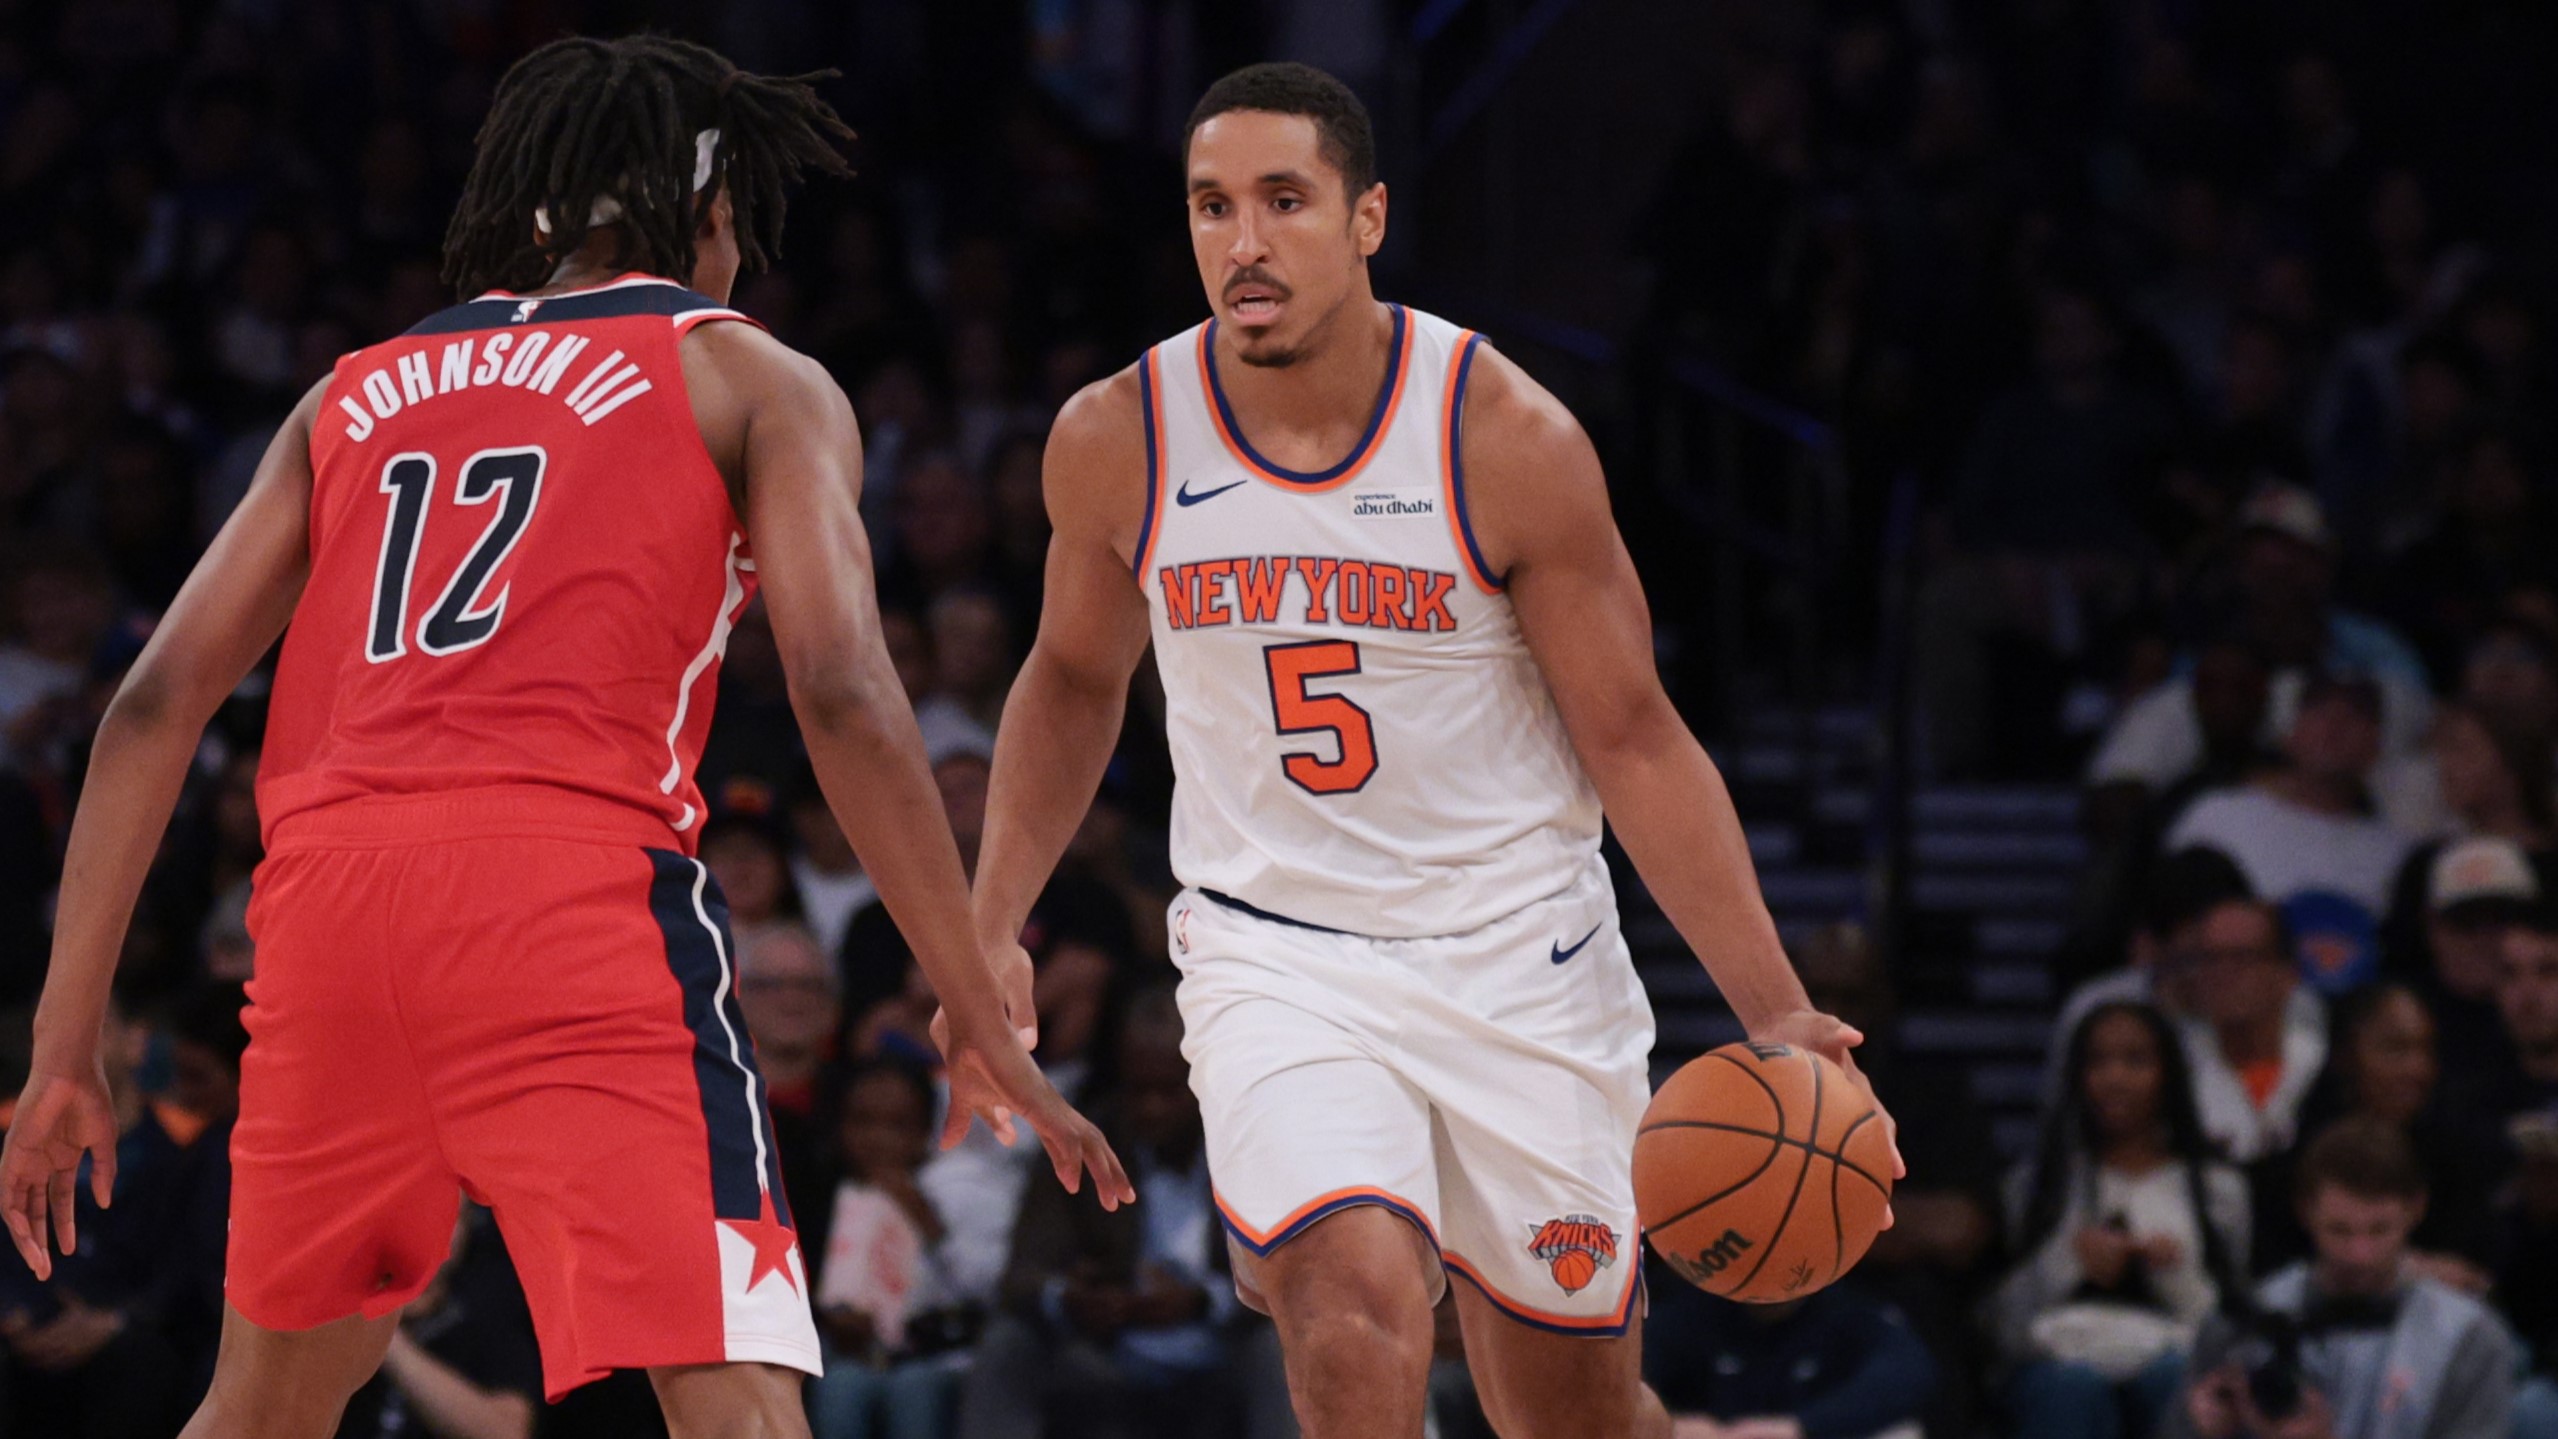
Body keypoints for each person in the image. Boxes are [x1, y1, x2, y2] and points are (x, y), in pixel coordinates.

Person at [0, 34, 1125, 1439]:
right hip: (567, 901)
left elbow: (154, 703)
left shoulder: (349, 390)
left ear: (538, 212)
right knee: (734, 1398)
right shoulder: (748, 375)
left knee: (262, 1408)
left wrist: (61, 1048)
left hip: (328, 909)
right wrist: (969, 990)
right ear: (712, 214)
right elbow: (840, 687)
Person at [952, 61, 1893, 1439]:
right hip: (1278, 951)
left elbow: (1633, 738)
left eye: (1284, 200)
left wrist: (1775, 1008)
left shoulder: (1501, 435)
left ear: (1367, 217)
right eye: (1212, 205)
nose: (1244, 241)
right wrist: (986, 930)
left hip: (1521, 951)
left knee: (1571, 1416)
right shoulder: (1120, 436)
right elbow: (1073, 680)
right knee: (1346, 1306)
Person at [959, 988, 1291, 1439]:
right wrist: (1070, 1297)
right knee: (1009, 1343)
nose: (1152, 1107)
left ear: (1205, 1080)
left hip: (1220, 1350)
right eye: (1139, 1090)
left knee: (1274, 1347)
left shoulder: (1249, 1143)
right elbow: (1021, 1276)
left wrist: (1200, 1302)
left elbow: (1288, 1278)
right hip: (1110, 1354)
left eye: (1169, 1091)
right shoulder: (1080, 1142)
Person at [1990, 1002, 2248, 1439]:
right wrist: (2068, 1263)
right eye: (2098, 1061)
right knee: (2068, 1389)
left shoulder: (2217, 1188)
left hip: (2172, 1355)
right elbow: (2002, 1330)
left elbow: (2230, 1328)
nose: (2115, 1078)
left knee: (2179, 1382)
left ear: (2169, 1073)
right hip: (2058, 1366)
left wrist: (2173, 1274)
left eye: (2135, 1060)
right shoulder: (2035, 1185)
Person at [2170, 1118, 2519, 1439]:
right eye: (2339, 1230)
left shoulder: (2469, 1341)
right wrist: (2201, 1432)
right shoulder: (2240, 1324)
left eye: (2379, 1230)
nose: (2359, 1255)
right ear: (2305, 1212)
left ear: (2416, 1209)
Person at [2165, 675, 2413, 994]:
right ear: (2289, 733)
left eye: (2355, 714)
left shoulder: (2395, 853)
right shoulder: (2216, 814)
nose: (2335, 725)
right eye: (2319, 709)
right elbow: (2168, 927)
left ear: (2377, 744)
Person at [2251, 985, 2496, 1290]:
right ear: (2344, 1055)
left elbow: (2479, 1274)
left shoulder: (2457, 1159)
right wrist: (2403, 1271)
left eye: (2426, 1049)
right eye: (2396, 1049)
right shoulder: (2291, 1166)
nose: (2418, 1069)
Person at [809, 1060, 975, 1439]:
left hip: (935, 1356)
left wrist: (926, 1220)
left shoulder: (955, 1191)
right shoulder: (818, 1195)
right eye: (863, 1121)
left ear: (927, 1130)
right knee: (840, 1389)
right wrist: (832, 1323)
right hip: (846, 1355)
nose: (879, 1138)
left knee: (914, 1391)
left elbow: (981, 1289)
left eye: (898, 1125)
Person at [332, 1207, 543, 1439]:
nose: (432, 1229)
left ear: (467, 1230)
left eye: (452, 1215)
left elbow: (507, 1432)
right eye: (419, 1210)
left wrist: (388, 1341)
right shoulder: (334, 1315)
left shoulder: (489, 1322)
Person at [1643, 1281, 1935, 1439]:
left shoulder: (1846, 1311)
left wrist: (1798, 1427)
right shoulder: (1694, 1312)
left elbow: (1910, 1372)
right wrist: (1671, 1424)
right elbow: (1631, 1377)